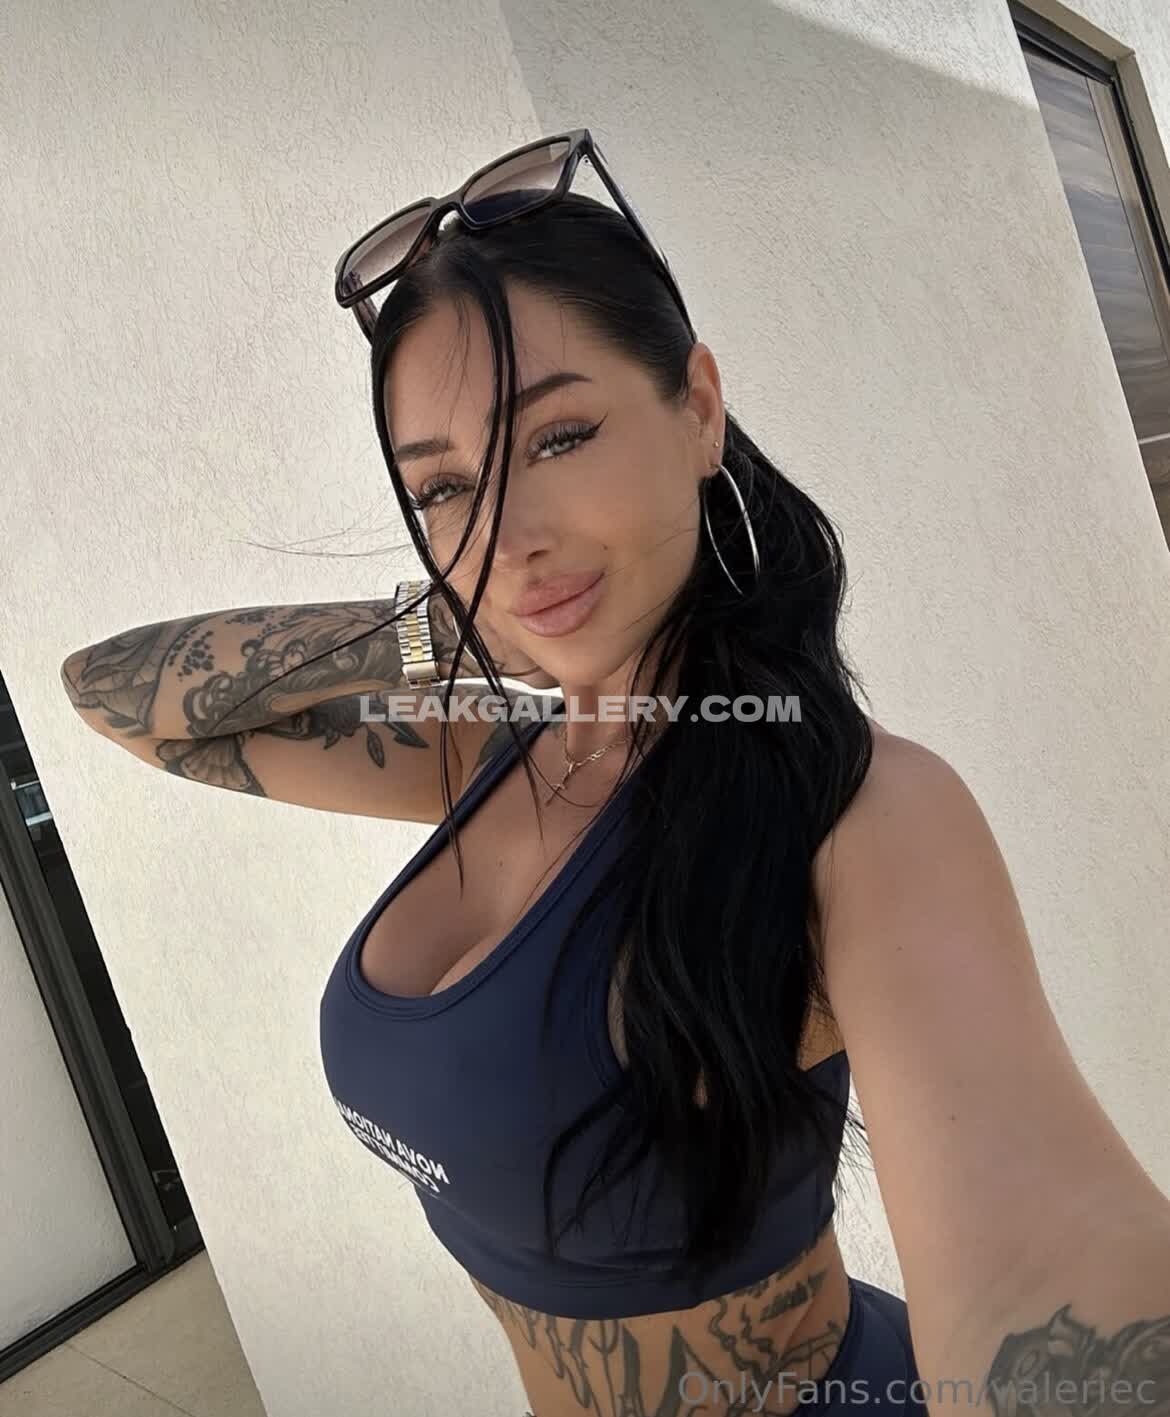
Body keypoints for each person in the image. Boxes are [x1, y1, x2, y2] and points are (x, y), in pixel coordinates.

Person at [62, 131, 1170, 1417]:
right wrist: (449, 619)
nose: (508, 535)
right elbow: (122, 696)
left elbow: (1041, 1267)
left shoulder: (852, 816)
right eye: (446, 489)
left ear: (697, 406)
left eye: (559, 437)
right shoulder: (488, 748)